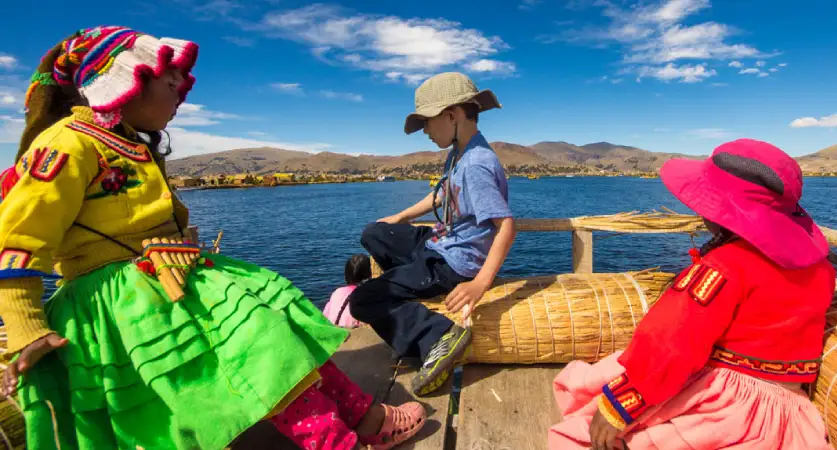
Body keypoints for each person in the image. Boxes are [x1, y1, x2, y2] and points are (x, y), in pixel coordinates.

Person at [0, 26, 426, 450]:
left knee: (277, 337)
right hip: (128, 306)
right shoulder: (67, 146)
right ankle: (338, 442)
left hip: (173, 280)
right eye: (170, 84)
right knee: (261, 359)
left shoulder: (126, 142)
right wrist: (25, 327)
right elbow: (17, 237)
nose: (177, 98)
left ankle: (362, 416)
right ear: (128, 81)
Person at [548, 139, 836, 450]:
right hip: (787, 410)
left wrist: (619, 407)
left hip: (726, 408)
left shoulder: (723, 268)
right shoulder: (821, 269)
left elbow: (672, 342)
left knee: (581, 433)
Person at [348, 72, 516, 397]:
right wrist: (399, 217)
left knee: (362, 300)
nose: (425, 131)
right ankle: (405, 289)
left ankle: (435, 335)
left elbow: (506, 227)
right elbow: (440, 196)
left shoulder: (477, 164)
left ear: (451, 115)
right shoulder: (459, 152)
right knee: (375, 233)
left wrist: (480, 283)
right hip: (438, 242)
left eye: (427, 122)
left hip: (451, 264)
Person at [323, 254, 370, 328]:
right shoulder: (367, 295)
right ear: (370, 274)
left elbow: (326, 315)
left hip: (335, 330)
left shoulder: (337, 292)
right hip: (354, 333)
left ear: (346, 276)